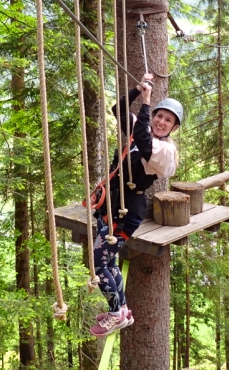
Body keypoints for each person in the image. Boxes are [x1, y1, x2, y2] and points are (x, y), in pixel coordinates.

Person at [89, 73, 183, 337]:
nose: (161, 122)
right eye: (160, 116)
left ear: (174, 128)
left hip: (126, 213)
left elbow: (143, 142)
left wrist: (146, 103)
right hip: (111, 205)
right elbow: (118, 109)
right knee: (110, 262)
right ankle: (123, 310)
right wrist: (137, 91)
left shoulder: (165, 152)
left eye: (168, 120)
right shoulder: (142, 127)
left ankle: (115, 313)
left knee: (99, 264)